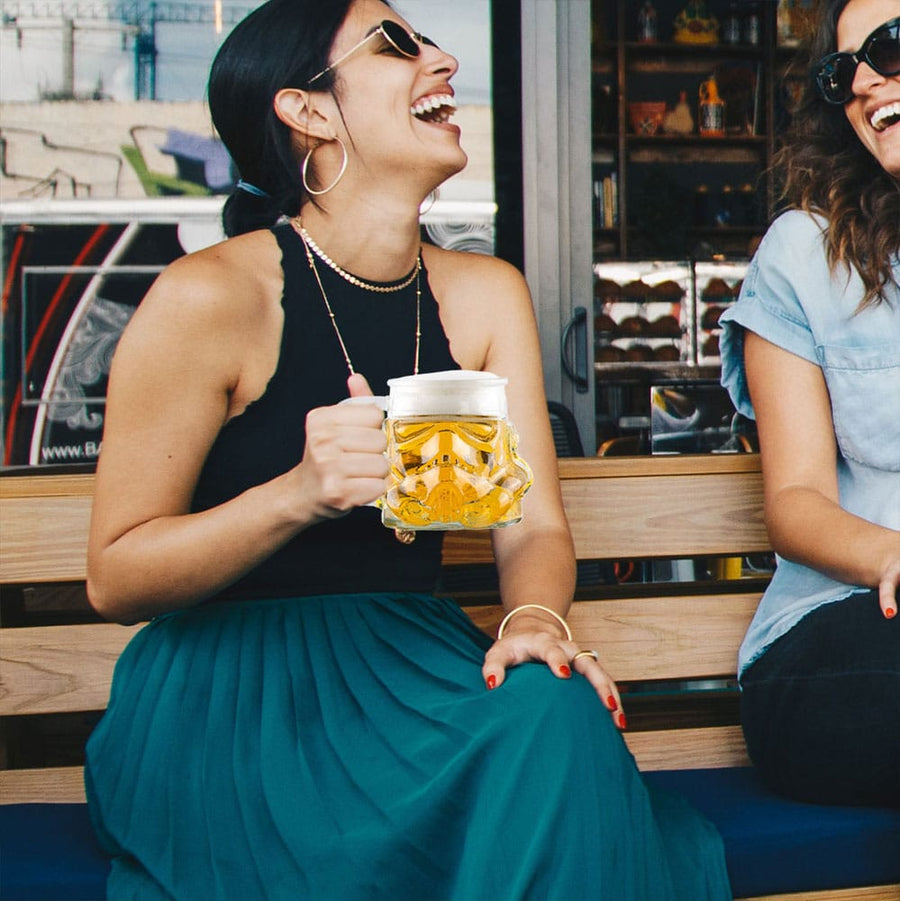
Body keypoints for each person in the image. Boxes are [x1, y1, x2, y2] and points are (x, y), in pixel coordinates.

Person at [84, 1, 732, 897]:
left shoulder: (482, 296)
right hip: (232, 697)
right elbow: (115, 577)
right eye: (397, 45)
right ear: (308, 111)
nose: (443, 58)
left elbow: (531, 528)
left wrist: (534, 621)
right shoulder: (210, 298)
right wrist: (298, 492)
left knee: (556, 713)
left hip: (411, 668)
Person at [720, 0, 899, 808]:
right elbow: (794, 504)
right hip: (836, 635)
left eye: (890, 47)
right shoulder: (806, 250)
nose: (863, 80)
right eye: (843, 69)